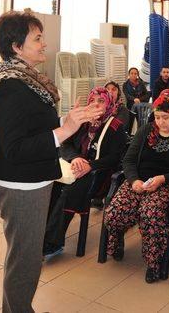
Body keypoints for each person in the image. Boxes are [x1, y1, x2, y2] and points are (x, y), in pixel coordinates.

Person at [0, 11, 103, 312]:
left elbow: (34, 127)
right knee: (24, 262)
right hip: (20, 184)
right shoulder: (11, 86)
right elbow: (15, 148)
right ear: (16, 47)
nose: (44, 44)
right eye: (37, 38)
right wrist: (66, 130)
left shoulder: (26, 80)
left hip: (28, 179)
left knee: (23, 256)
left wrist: (68, 119)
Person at [102, 90, 169, 283]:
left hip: (165, 185)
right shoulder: (146, 130)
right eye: (156, 116)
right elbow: (128, 160)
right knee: (114, 213)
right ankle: (117, 237)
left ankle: (154, 262)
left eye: (165, 117)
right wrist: (134, 180)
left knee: (150, 213)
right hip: (138, 182)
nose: (160, 122)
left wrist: (162, 179)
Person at [43, 88, 127, 258]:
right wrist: (75, 158)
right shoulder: (81, 122)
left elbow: (115, 158)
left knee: (70, 191)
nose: (96, 104)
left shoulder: (116, 126)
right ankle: (43, 234)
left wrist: (90, 166)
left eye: (101, 101)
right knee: (50, 185)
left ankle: (52, 243)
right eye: (92, 100)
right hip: (75, 168)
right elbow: (65, 145)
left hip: (100, 175)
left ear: (109, 103)